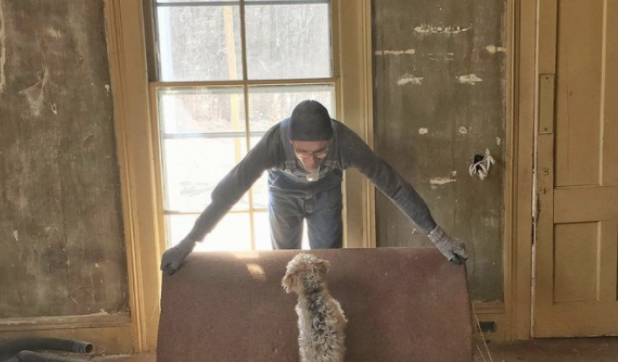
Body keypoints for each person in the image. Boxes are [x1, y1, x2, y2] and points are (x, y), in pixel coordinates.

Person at [160, 100, 468, 275]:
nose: (311, 161)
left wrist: (437, 236)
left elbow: (395, 187)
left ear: (331, 142)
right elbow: (230, 189)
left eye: (320, 153)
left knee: (325, 262)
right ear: (290, 142)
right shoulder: (273, 142)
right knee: (286, 263)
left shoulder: (346, 143)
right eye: (302, 153)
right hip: (283, 192)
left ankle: (323, 329)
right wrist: (190, 240)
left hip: (326, 193)